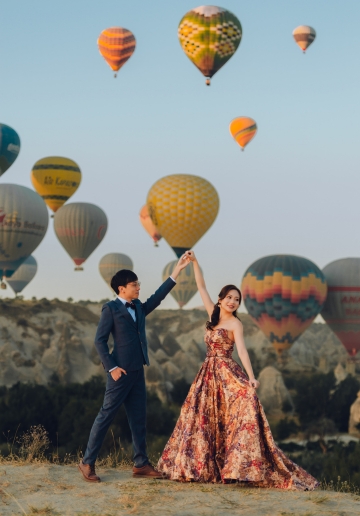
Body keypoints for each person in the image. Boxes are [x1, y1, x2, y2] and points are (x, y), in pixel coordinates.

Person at [157, 251, 318, 490]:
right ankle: (200, 466)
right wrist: (193, 264)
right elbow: (201, 286)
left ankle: (238, 467)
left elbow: (242, 351)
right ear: (221, 300)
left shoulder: (235, 324)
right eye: (229, 297)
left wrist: (252, 378)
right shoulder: (213, 315)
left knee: (244, 405)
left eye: (237, 299)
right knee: (201, 418)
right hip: (207, 374)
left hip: (226, 371)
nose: (233, 301)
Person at [78, 253, 191, 483]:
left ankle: (141, 463)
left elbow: (157, 298)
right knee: (106, 417)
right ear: (122, 289)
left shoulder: (138, 307)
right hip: (120, 374)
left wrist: (176, 271)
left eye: (138, 284)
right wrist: (112, 368)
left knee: (138, 418)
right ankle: (87, 463)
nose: (138, 287)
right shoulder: (110, 309)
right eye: (134, 284)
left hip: (138, 371)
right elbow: (99, 341)